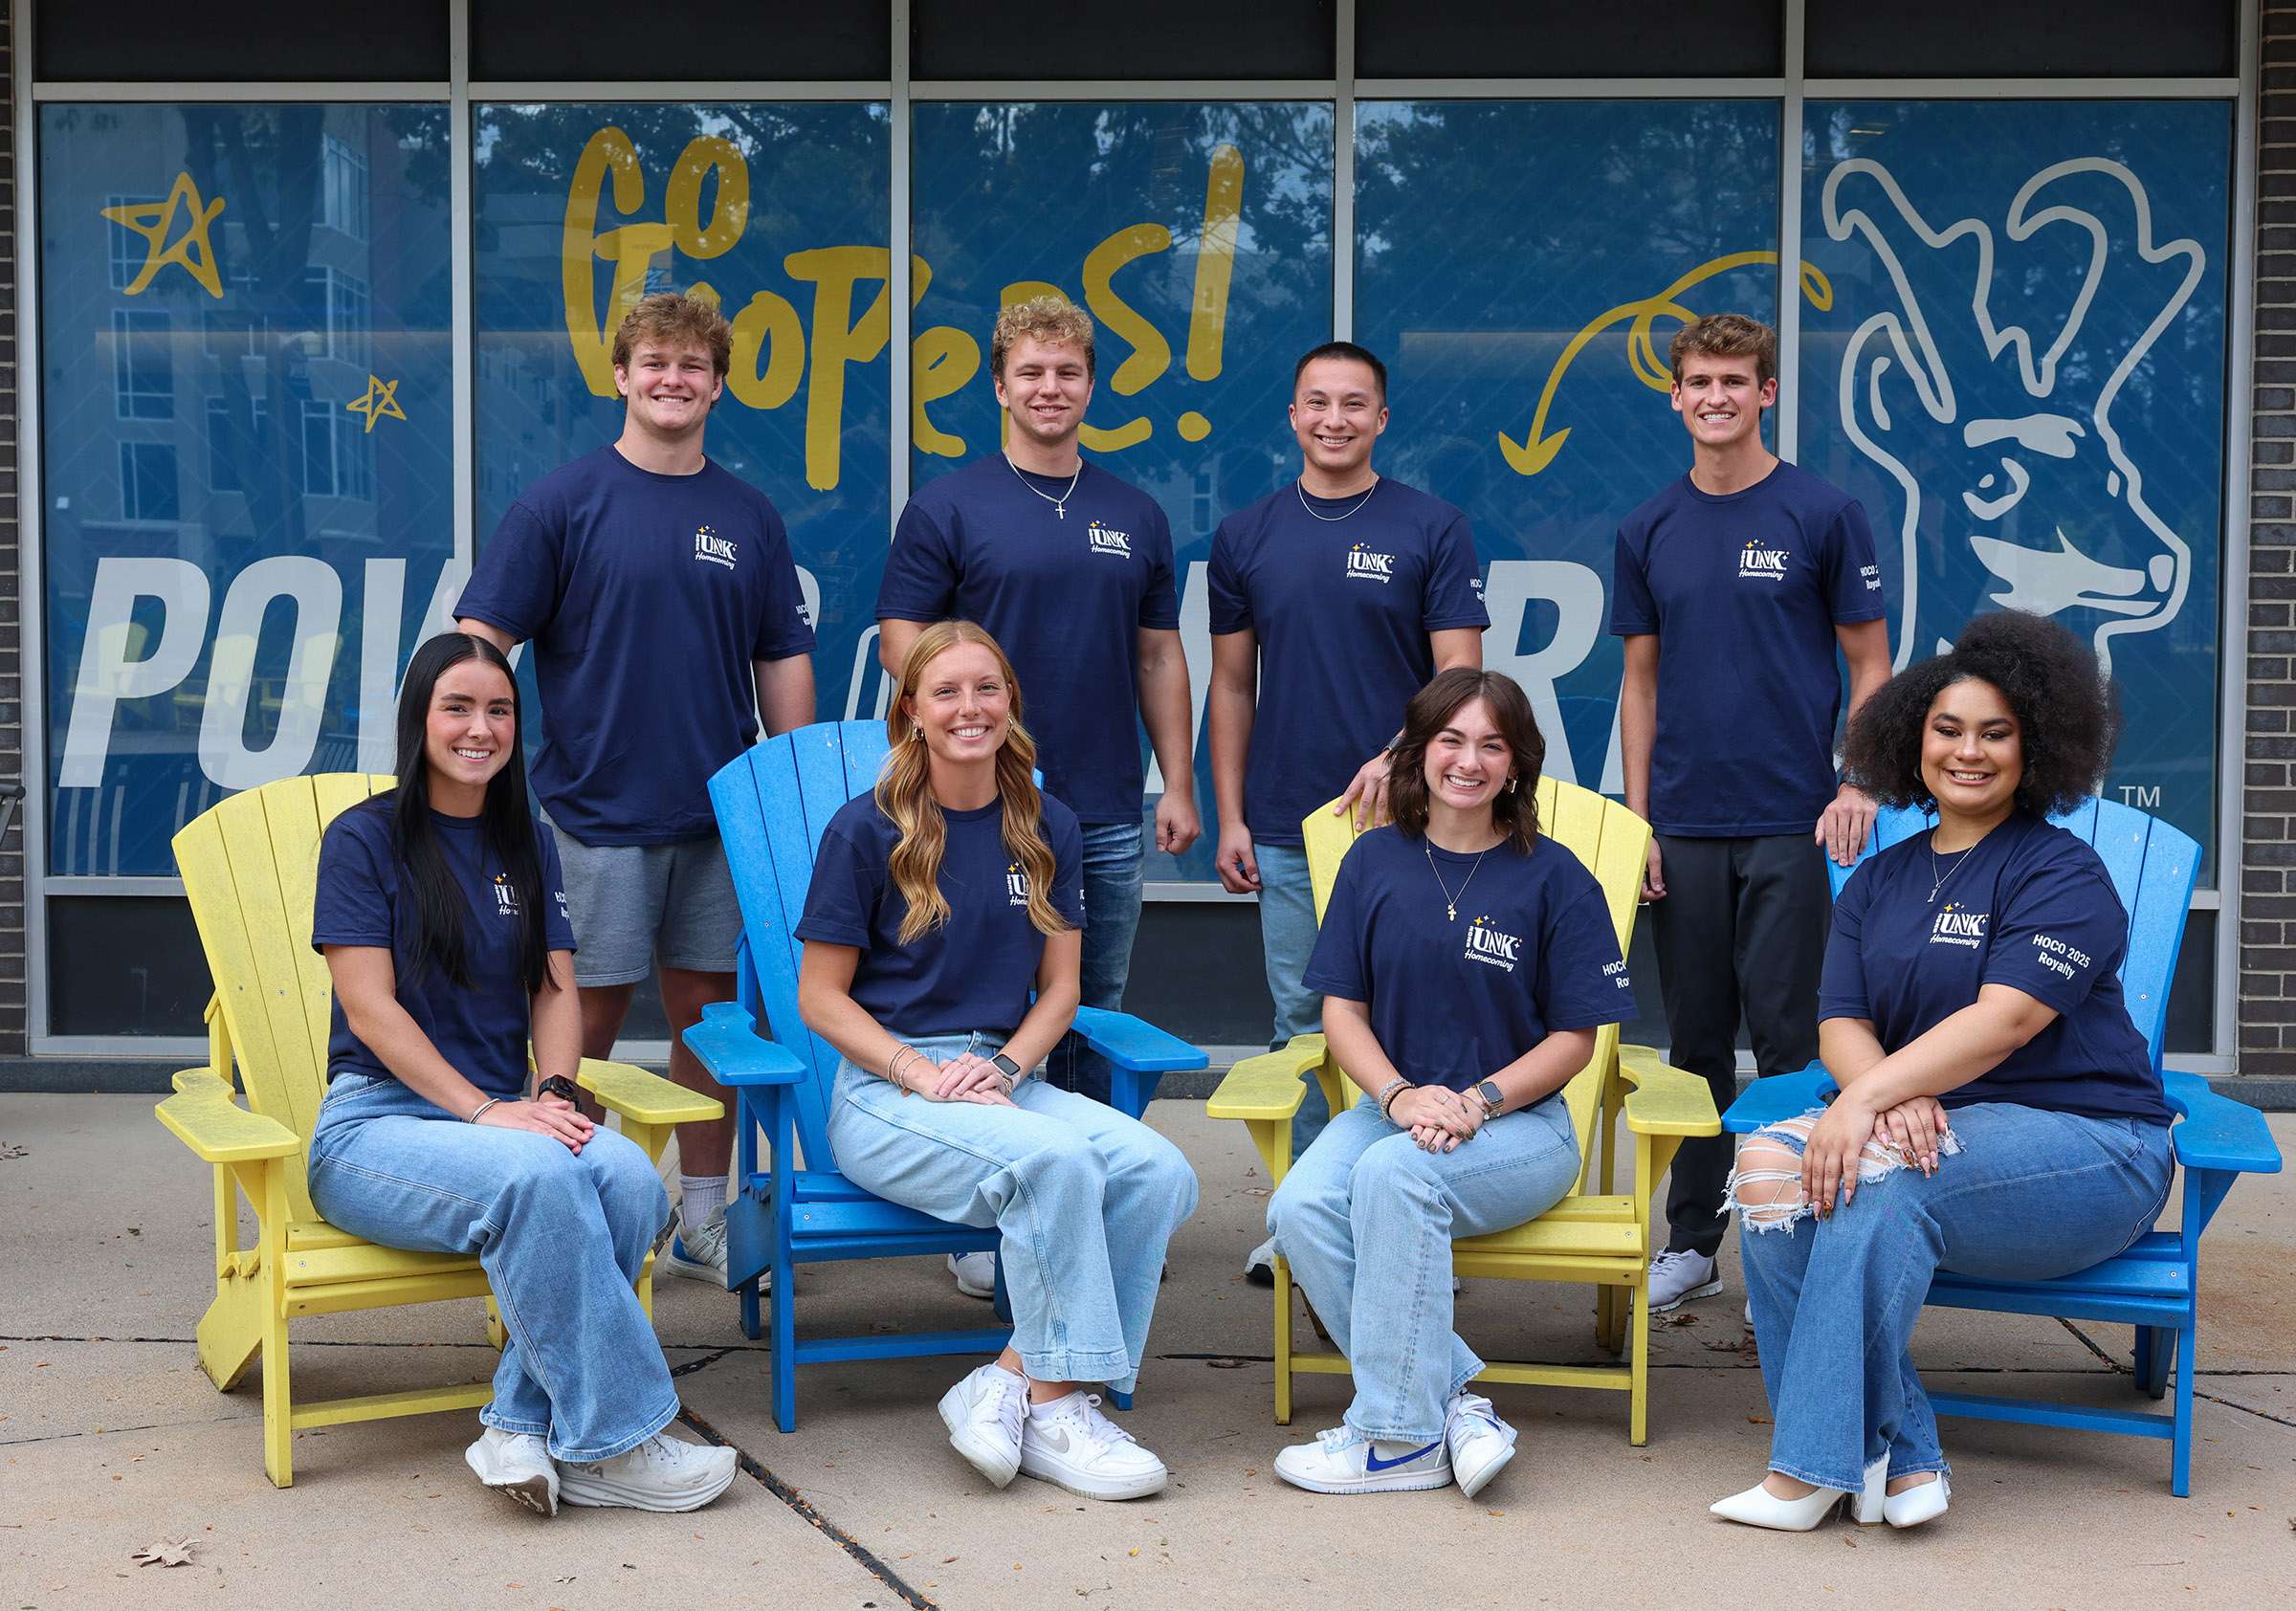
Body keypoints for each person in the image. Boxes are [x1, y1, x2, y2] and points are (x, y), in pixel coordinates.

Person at [1712, 609, 2173, 1533]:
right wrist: (1884, 1094)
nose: (1970, 752)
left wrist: (1869, 1103)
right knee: (1766, 1171)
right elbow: (1839, 1018)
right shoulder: (1879, 881)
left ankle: (1808, 1473)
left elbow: (2003, 1020)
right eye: (1948, 730)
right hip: (1929, 1131)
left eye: (1996, 733)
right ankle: (1898, 1451)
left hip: (2090, 1149)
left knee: (1879, 1185)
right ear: (1911, 742)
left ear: (2034, 747)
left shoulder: (2060, 873)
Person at [306, 632, 740, 1516]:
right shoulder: (364, 840)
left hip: (504, 1118)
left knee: (622, 1176)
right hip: (374, 1129)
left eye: (498, 710)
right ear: (418, 720)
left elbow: (556, 989)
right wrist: (480, 1111)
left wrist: (553, 1092)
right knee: (544, 1175)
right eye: (457, 708)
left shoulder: (528, 842)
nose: (480, 728)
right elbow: (370, 1008)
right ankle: (622, 1442)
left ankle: (519, 1422)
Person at [456, 291, 818, 1294]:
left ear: (717, 383)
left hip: (718, 817)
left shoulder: (748, 515)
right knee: (586, 1029)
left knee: (711, 1024)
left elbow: (782, 657)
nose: (672, 379)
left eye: (693, 365)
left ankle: (700, 1217)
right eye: (654, 361)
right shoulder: (561, 505)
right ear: (621, 375)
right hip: (591, 816)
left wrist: (790, 804)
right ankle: (569, 1210)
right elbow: (486, 637)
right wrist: (477, 750)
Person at [796, 620, 1198, 1503]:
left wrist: (1009, 1070)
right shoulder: (865, 830)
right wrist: (919, 1073)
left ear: (1011, 701)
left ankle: (1014, 1381)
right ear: (912, 712)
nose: (969, 708)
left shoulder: (1045, 822)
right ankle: (1062, 1407)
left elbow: (1062, 988)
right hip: (886, 1092)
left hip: (1001, 1078)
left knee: (1160, 1170)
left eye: (987, 688)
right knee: (1056, 1163)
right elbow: (818, 999)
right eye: (946, 692)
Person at [876, 295, 1200, 1300]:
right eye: (1031, 372)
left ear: (1090, 385)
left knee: (1089, 1009)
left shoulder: (1134, 513)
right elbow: (905, 650)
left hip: (1100, 808)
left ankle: (1094, 1200)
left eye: (1067, 373)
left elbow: (1159, 653)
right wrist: (958, 751)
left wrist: (1175, 780)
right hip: (972, 809)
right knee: (980, 1008)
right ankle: (989, 1207)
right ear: (1001, 385)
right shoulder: (949, 506)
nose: (1049, 389)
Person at [1264, 670, 1635, 1496]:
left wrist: (1478, 1102)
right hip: (1390, 1105)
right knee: (1299, 1205)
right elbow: (1342, 1012)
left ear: (1516, 765)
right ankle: (1452, 1402)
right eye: (1452, 740)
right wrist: (1397, 1094)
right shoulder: (1374, 861)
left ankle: (1394, 1438)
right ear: (1420, 750)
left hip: (1521, 1125)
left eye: (1491, 745)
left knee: (1394, 1176)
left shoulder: (1555, 876)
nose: (1468, 761)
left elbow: (1577, 1037)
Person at [1611, 312, 1893, 1314]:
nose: (1716, 396)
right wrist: (1637, 819)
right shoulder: (1647, 528)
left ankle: (1799, 1223)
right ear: (1676, 396)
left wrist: (1856, 780)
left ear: (1766, 393)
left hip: (1792, 819)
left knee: (1789, 1039)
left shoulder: (1823, 512)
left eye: (1735, 380)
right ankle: (1693, 1240)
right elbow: (1638, 687)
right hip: (1683, 822)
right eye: (1698, 381)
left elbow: (1870, 662)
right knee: (1692, 1043)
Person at [1209, 341, 1489, 1279]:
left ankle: (1401, 1198)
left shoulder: (1430, 526)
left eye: (1354, 403)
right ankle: (1307, 1213)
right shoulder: (1246, 534)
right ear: (1292, 415)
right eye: (1317, 402)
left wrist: (1405, 752)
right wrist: (1233, 812)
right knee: (1302, 1021)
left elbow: (1463, 676)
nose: (1335, 418)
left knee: (1417, 1011)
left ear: (1382, 418)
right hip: (1291, 822)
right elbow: (1232, 686)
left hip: (1419, 823)